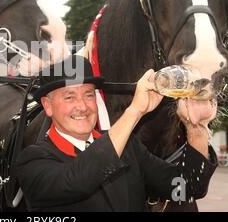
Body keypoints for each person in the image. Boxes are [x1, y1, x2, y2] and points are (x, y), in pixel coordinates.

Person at [15, 55, 217, 211]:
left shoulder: (129, 147)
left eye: (88, 95)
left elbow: (188, 187)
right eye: (69, 97)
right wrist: (135, 111)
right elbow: (80, 180)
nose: (83, 106)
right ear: (48, 106)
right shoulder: (33, 161)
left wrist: (196, 127)